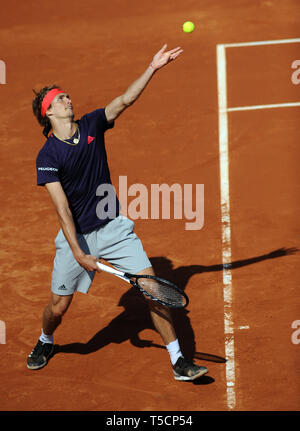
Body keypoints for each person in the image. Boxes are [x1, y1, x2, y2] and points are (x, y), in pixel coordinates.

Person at [28, 44, 208, 381]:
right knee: (58, 307)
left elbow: (124, 100)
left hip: (114, 229)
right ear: (48, 113)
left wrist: (152, 67)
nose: (68, 99)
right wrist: (79, 252)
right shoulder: (48, 156)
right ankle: (45, 339)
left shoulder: (94, 122)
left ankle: (179, 361)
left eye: (67, 96)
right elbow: (62, 208)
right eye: (60, 98)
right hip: (76, 236)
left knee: (153, 288)